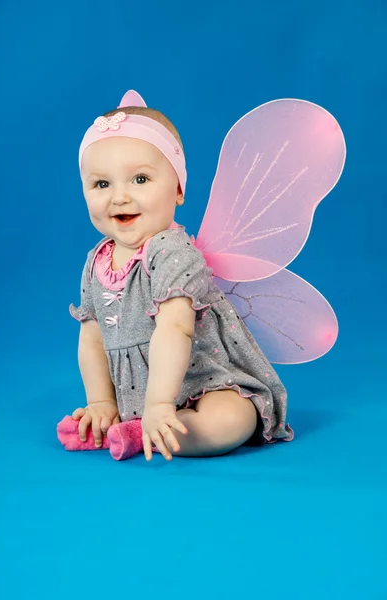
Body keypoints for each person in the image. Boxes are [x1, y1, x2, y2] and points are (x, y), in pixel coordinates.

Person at [58, 89, 307, 462]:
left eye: (140, 180)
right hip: (141, 395)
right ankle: (121, 423)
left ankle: (145, 433)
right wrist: (101, 401)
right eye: (101, 184)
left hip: (203, 385)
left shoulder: (171, 252)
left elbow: (175, 328)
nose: (119, 196)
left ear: (177, 189)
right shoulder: (97, 260)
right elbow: (92, 339)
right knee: (123, 404)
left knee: (231, 419)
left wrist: (160, 403)